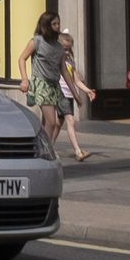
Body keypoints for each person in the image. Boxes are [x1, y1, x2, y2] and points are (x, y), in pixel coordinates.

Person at [23, 10, 93, 161]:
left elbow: (65, 72)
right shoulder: (37, 41)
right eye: (54, 24)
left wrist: (75, 94)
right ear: (46, 25)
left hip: (55, 86)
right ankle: (45, 151)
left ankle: (39, 147)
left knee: (51, 123)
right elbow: (22, 58)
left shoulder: (59, 47)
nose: (57, 26)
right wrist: (24, 79)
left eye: (58, 23)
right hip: (41, 83)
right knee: (52, 121)